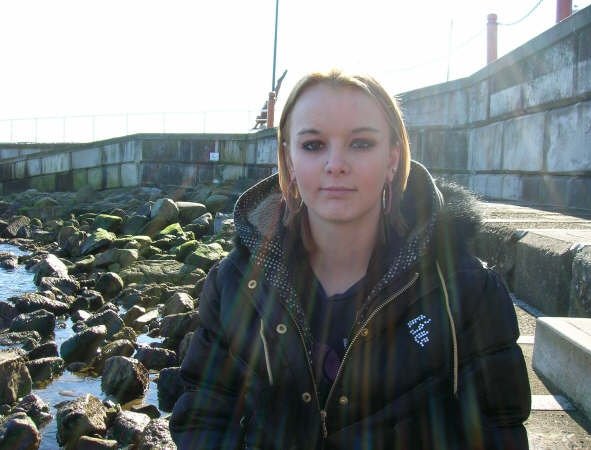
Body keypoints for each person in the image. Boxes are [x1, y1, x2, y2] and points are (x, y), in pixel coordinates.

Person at [169, 69, 531, 449]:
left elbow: (497, 429)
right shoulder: (233, 284)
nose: (336, 164)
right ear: (289, 161)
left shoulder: (467, 290)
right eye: (313, 145)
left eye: (360, 143)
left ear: (392, 159)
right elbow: (204, 417)